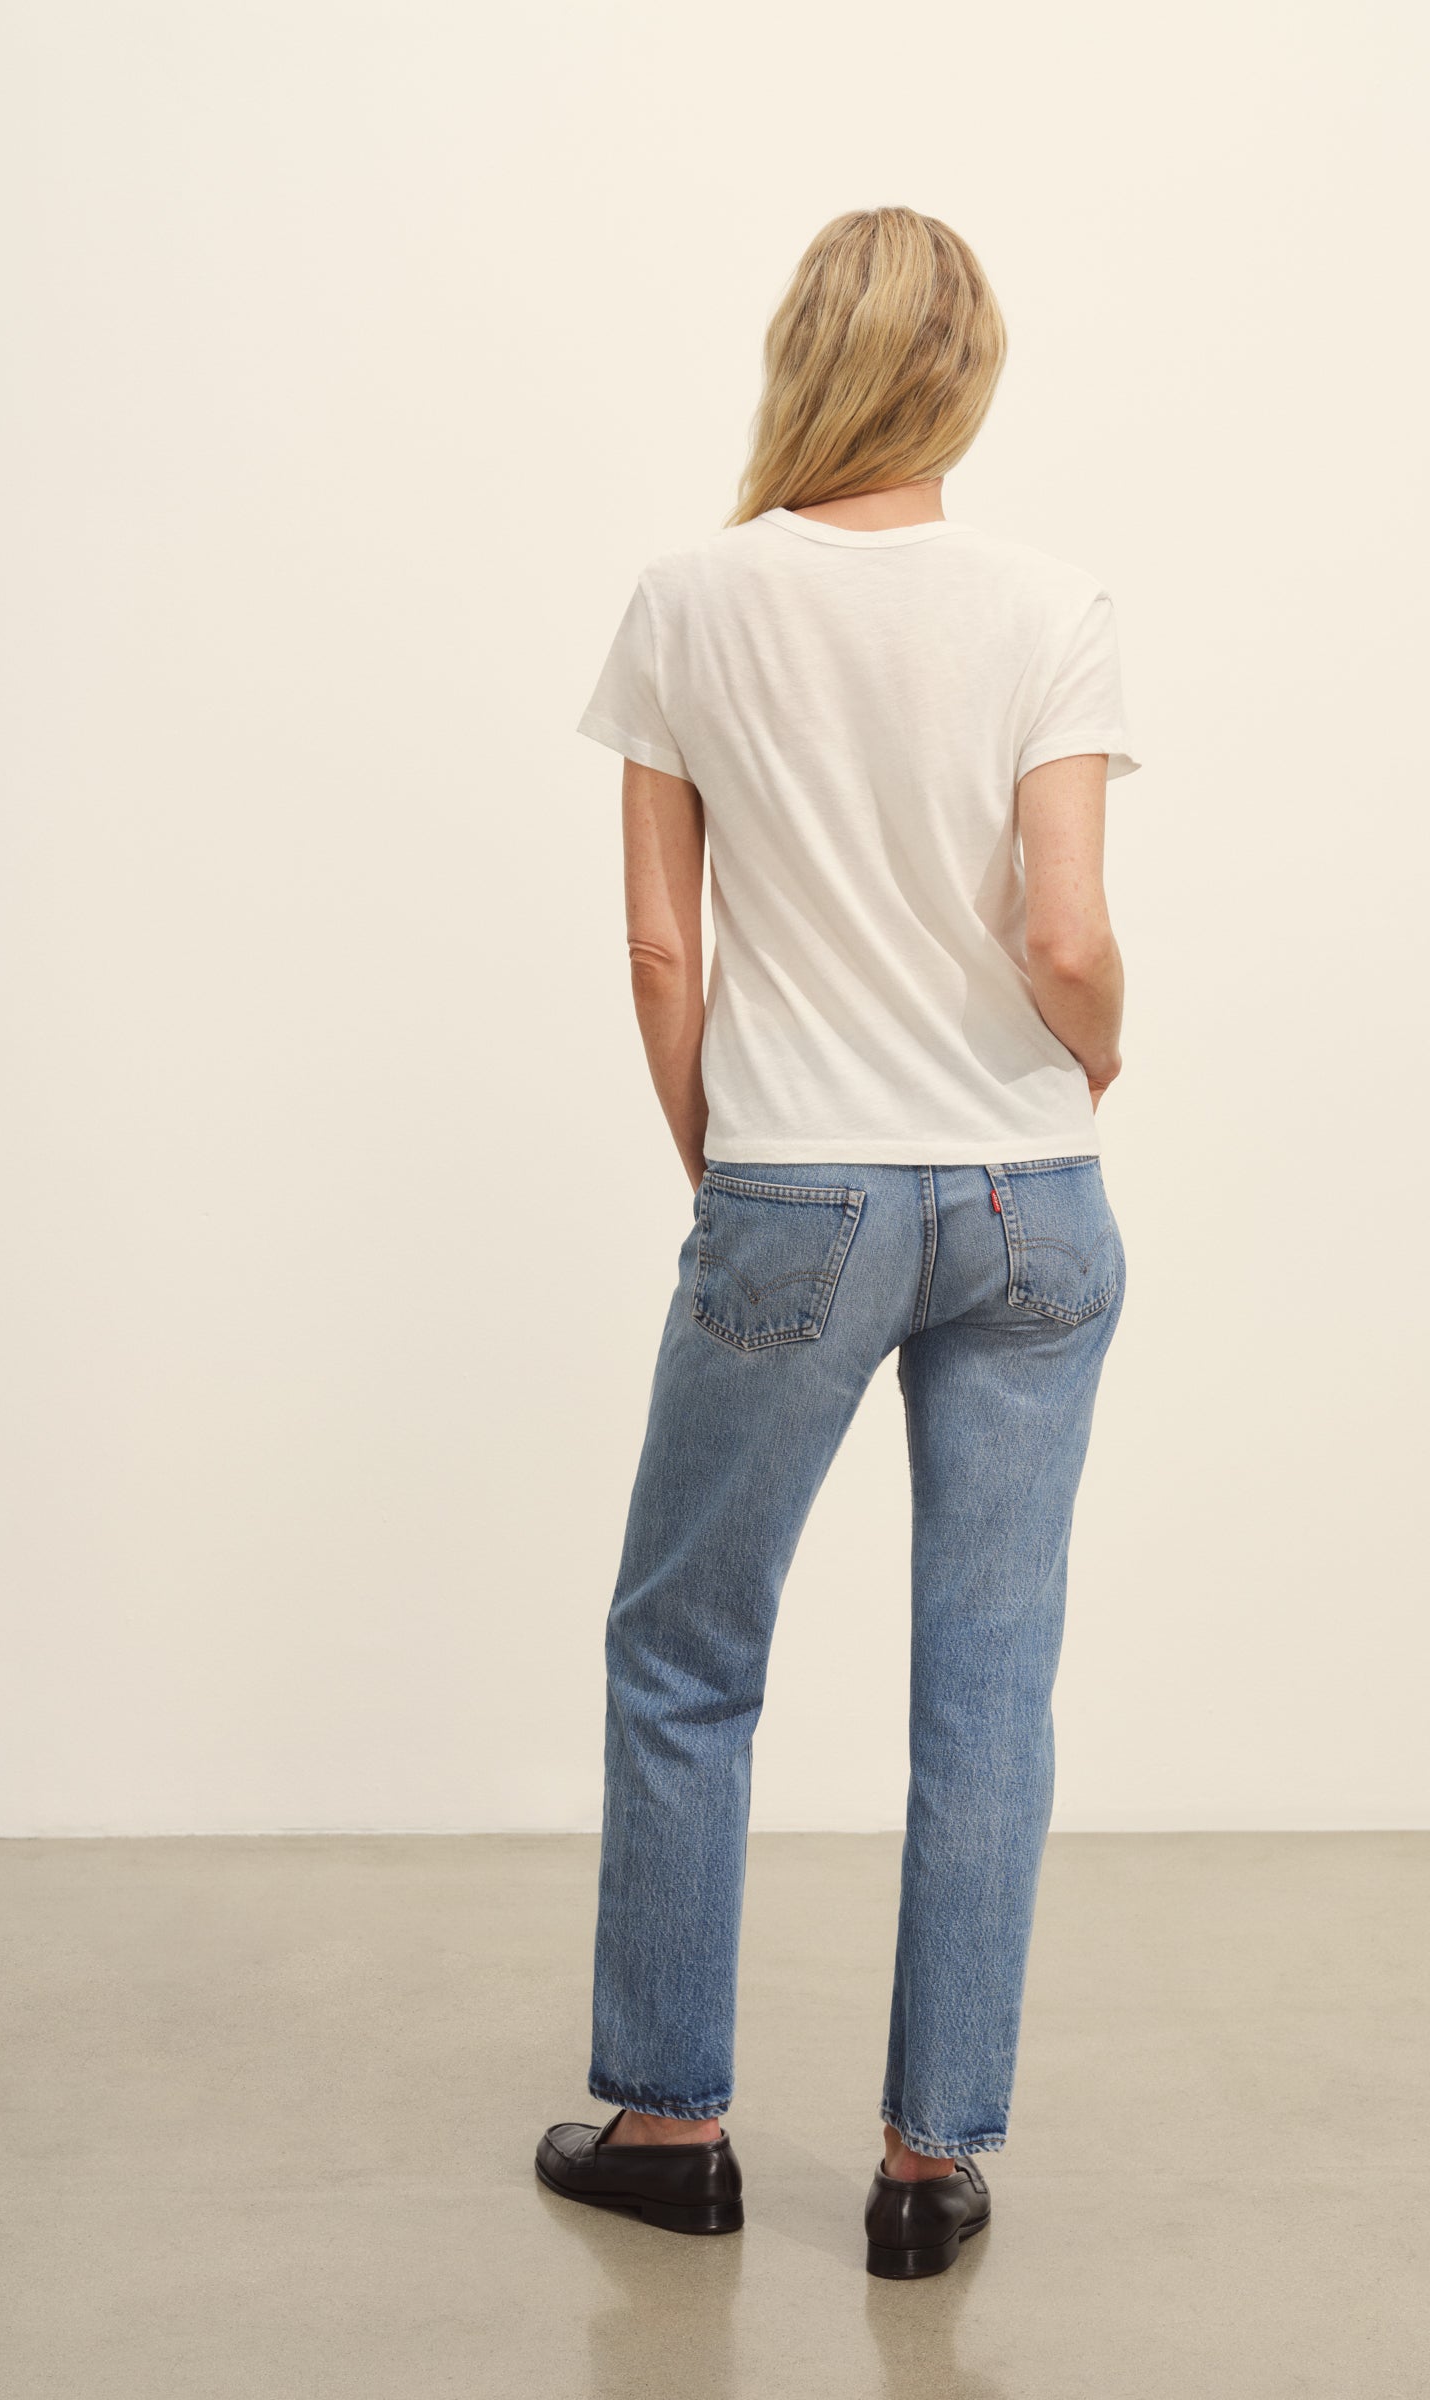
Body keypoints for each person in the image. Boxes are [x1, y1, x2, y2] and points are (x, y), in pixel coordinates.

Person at [535, 205, 1138, 2281]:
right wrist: (1095, 1058)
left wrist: (733, 1162)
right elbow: (1066, 932)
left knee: (686, 1655)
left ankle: (670, 2125)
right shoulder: (1052, 603)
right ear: (967, 371)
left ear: (803, 353)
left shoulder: (690, 601)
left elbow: (656, 947)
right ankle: (925, 2167)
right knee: (989, 1690)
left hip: (795, 1182)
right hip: (1031, 1200)